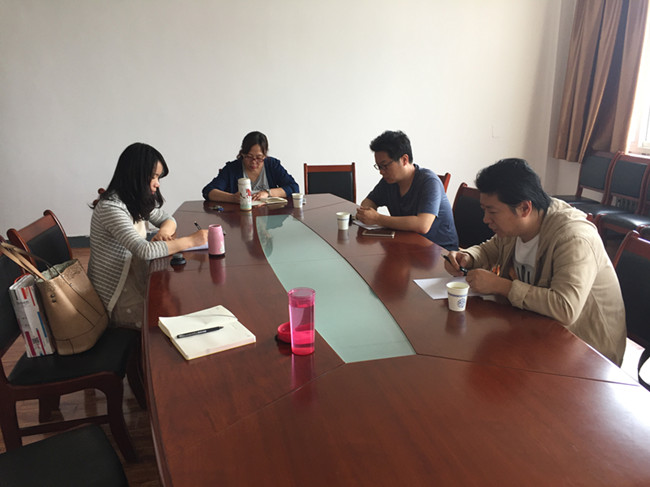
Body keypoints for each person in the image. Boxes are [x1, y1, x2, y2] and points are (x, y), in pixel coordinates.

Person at [444, 158, 626, 365]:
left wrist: (501, 286)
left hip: (588, 354)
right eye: (484, 210)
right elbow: (489, 249)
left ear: (524, 208)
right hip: (538, 331)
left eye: (492, 211)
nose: (486, 219)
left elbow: (565, 308)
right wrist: (467, 257)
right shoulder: (518, 225)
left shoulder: (574, 237)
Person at [88, 143, 208, 328]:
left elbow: (168, 219)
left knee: (181, 303)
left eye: (158, 177)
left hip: (135, 277)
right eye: (153, 176)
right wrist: (192, 240)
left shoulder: (132, 199)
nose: (157, 183)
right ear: (135, 175)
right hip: (117, 295)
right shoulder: (111, 207)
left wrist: (163, 232)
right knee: (173, 316)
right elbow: (144, 250)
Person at [356, 130, 458, 250]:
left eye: (385, 166)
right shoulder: (389, 181)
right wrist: (367, 212)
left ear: (404, 159)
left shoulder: (429, 181)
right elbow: (368, 201)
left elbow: (422, 225)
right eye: (379, 167)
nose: (381, 172)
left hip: (440, 251)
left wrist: (377, 218)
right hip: (407, 245)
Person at [202, 131, 299, 203]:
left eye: (259, 158)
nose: (253, 162)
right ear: (242, 154)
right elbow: (208, 191)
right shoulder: (232, 168)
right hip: (239, 217)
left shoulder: (272, 165)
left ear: (265, 155)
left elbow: (294, 187)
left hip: (269, 216)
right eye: (249, 157)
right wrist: (232, 198)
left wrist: (267, 193)